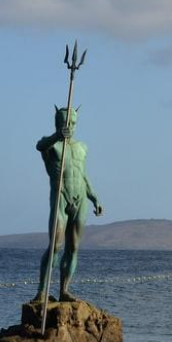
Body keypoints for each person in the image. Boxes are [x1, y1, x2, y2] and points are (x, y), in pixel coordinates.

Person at [34, 105, 102, 303]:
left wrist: (94, 197)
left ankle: (64, 290)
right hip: (61, 198)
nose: (69, 126)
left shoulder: (82, 147)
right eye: (64, 122)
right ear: (57, 123)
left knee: (73, 248)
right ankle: (41, 292)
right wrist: (57, 135)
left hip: (80, 199)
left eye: (72, 122)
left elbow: (83, 175)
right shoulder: (51, 146)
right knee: (55, 246)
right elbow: (39, 145)